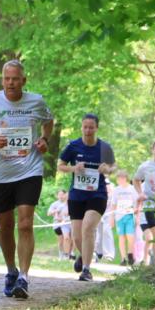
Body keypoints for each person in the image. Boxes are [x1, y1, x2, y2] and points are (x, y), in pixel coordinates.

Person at [0, 59, 54, 298]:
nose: (10, 83)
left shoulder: (36, 101)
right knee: (5, 226)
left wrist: (44, 139)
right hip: (0, 173)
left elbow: (48, 122)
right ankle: (11, 270)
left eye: (15, 79)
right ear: (2, 80)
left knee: (26, 223)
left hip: (29, 170)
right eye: (7, 79)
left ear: (23, 81)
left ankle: (24, 278)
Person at [57, 113, 117, 281]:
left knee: (88, 228)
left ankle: (86, 270)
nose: (88, 130)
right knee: (77, 236)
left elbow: (114, 166)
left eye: (91, 127)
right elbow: (60, 166)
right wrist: (74, 168)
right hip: (77, 195)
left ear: (96, 128)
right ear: (81, 127)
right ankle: (84, 256)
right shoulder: (73, 146)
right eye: (85, 127)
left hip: (97, 194)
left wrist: (107, 169)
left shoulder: (104, 147)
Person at [110, 170, 139, 265]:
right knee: (121, 237)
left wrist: (136, 213)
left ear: (126, 178)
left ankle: (130, 254)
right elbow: (113, 205)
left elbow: (137, 202)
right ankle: (123, 259)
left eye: (121, 178)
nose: (119, 180)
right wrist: (111, 218)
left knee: (130, 236)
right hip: (119, 217)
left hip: (130, 216)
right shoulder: (116, 190)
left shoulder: (132, 189)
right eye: (118, 178)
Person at [47, 190, 72, 259]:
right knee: (61, 241)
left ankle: (68, 254)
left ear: (65, 195)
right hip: (57, 225)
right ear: (57, 196)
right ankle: (61, 254)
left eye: (62, 194)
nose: (61, 196)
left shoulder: (69, 203)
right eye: (59, 195)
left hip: (67, 223)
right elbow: (48, 213)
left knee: (68, 239)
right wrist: (55, 211)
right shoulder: (54, 204)